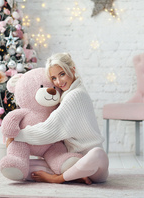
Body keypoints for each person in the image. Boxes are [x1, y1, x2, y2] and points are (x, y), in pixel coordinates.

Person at [7, 53, 109, 185]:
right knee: (27, 166)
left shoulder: (76, 95)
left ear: (72, 70)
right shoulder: (67, 93)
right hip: (71, 160)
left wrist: (17, 135)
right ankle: (74, 176)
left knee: (98, 153)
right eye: (53, 78)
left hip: (92, 165)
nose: (58, 82)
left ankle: (57, 178)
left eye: (62, 74)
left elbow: (50, 129)